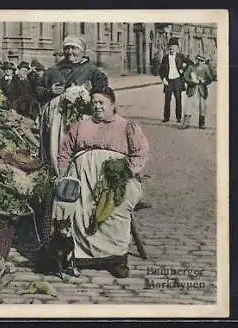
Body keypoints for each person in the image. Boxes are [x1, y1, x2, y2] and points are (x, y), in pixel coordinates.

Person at [56, 87, 149, 278]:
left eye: (102, 103)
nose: (97, 107)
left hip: (114, 178)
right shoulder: (81, 126)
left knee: (116, 209)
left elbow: (140, 152)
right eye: (94, 103)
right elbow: (65, 152)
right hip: (82, 178)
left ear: (112, 105)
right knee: (79, 209)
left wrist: (126, 173)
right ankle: (80, 257)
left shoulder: (126, 126)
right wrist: (63, 176)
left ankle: (116, 259)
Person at [37, 36, 108, 104]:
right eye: (67, 48)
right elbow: (38, 91)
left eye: (74, 48)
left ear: (82, 51)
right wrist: (50, 92)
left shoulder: (93, 71)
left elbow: (103, 96)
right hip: (56, 114)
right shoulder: (53, 70)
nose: (70, 52)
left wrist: (89, 93)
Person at [158, 37, 192, 123]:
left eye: (173, 47)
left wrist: (183, 70)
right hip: (168, 81)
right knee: (167, 100)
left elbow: (190, 63)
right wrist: (163, 79)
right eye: (170, 47)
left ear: (176, 48)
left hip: (177, 80)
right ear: (168, 48)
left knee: (178, 99)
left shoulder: (180, 57)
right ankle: (166, 118)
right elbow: (161, 70)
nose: (172, 49)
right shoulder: (165, 58)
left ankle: (178, 117)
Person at [180, 54, 215, 130]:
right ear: (196, 60)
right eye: (198, 60)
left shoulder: (206, 68)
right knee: (188, 105)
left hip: (202, 89)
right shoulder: (191, 67)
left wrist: (204, 81)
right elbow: (185, 77)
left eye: (202, 60)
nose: (200, 62)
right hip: (192, 89)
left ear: (204, 61)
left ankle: (202, 123)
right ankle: (186, 123)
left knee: (202, 106)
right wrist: (192, 81)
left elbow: (210, 78)